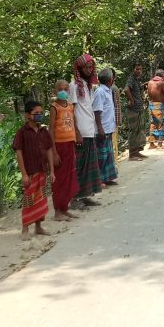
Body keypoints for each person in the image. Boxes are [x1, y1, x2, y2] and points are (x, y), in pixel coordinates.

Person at [13, 100, 55, 239]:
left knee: (41, 200)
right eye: (36, 113)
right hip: (30, 172)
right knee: (29, 200)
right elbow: (19, 153)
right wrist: (24, 174)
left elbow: (49, 150)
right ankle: (25, 228)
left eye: (41, 113)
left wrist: (52, 171)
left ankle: (38, 227)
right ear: (27, 115)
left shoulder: (44, 131)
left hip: (42, 170)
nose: (39, 115)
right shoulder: (22, 132)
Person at [70, 54, 102, 205]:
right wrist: (76, 132)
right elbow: (71, 110)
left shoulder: (88, 87)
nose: (89, 70)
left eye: (91, 67)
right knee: (80, 166)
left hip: (90, 129)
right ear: (79, 68)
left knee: (89, 165)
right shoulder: (74, 86)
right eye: (86, 67)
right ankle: (75, 197)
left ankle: (85, 195)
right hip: (81, 131)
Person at [48, 80, 79, 220]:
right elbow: (51, 131)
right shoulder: (54, 108)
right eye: (60, 89)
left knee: (70, 176)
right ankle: (57, 211)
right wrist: (54, 152)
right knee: (60, 179)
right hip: (59, 146)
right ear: (55, 92)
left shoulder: (71, 106)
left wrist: (78, 135)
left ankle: (65, 207)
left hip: (70, 144)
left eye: (66, 89)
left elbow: (74, 123)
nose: (63, 91)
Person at [93, 68, 119, 187]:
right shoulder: (100, 92)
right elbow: (97, 111)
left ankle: (107, 177)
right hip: (102, 128)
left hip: (109, 127)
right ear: (110, 79)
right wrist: (100, 128)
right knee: (101, 154)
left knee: (108, 153)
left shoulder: (108, 91)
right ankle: (99, 179)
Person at [123, 65, 148, 160]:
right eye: (137, 69)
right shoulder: (131, 79)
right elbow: (126, 89)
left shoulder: (137, 80)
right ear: (133, 69)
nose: (139, 70)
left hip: (138, 109)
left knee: (139, 130)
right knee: (133, 131)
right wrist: (131, 100)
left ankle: (136, 152)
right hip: (133, 109)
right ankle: (132, 154)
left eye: (140, 69)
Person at [146, 69, 164, 150]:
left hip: (151, 104)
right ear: (162, 75)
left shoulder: (150, 82)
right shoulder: (161, 83)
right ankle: (160, 144)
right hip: (159, 104)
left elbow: (148, 93)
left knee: (152, 124)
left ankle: (152, 143)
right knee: (161, 124)